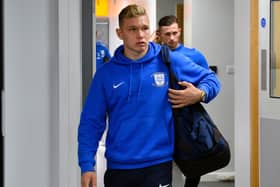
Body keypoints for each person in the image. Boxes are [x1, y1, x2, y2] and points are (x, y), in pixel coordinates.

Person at [78, 4, 220, 187]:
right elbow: (91, 122)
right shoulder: (106, 74)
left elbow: (211, 79)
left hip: (158, 165)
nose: (140, 35)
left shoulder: (167, 60)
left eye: (145, 28)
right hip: (119, 168)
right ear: (119, 33)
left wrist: (200, 94)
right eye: (133, 29)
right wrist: (87, 165)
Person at [156, 15, 212, 187]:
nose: (172, 38)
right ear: (159, 34)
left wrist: (199, 93)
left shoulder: (194, 55)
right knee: (164, 164)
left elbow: (208, 79)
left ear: (179, 31)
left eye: (174, 33)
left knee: (194, 161)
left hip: (188, 118)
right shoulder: (154, 55)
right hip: (162, 119)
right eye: (167, 34)